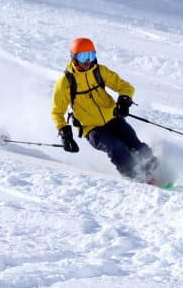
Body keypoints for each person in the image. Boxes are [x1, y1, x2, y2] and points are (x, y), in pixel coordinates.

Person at [51, 37, 157, 181]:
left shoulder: (99, 71)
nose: (87, 61)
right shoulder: (65, 82)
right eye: (83, 57)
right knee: (116, 147)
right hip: (92, 129)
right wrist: (65, 134)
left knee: (133, 142)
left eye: (91, 55)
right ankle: (135, 177)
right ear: (74, 57)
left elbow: (125, 86)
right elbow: (56, 112)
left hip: (113, 119)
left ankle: (156, 170)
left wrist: (124, 101)